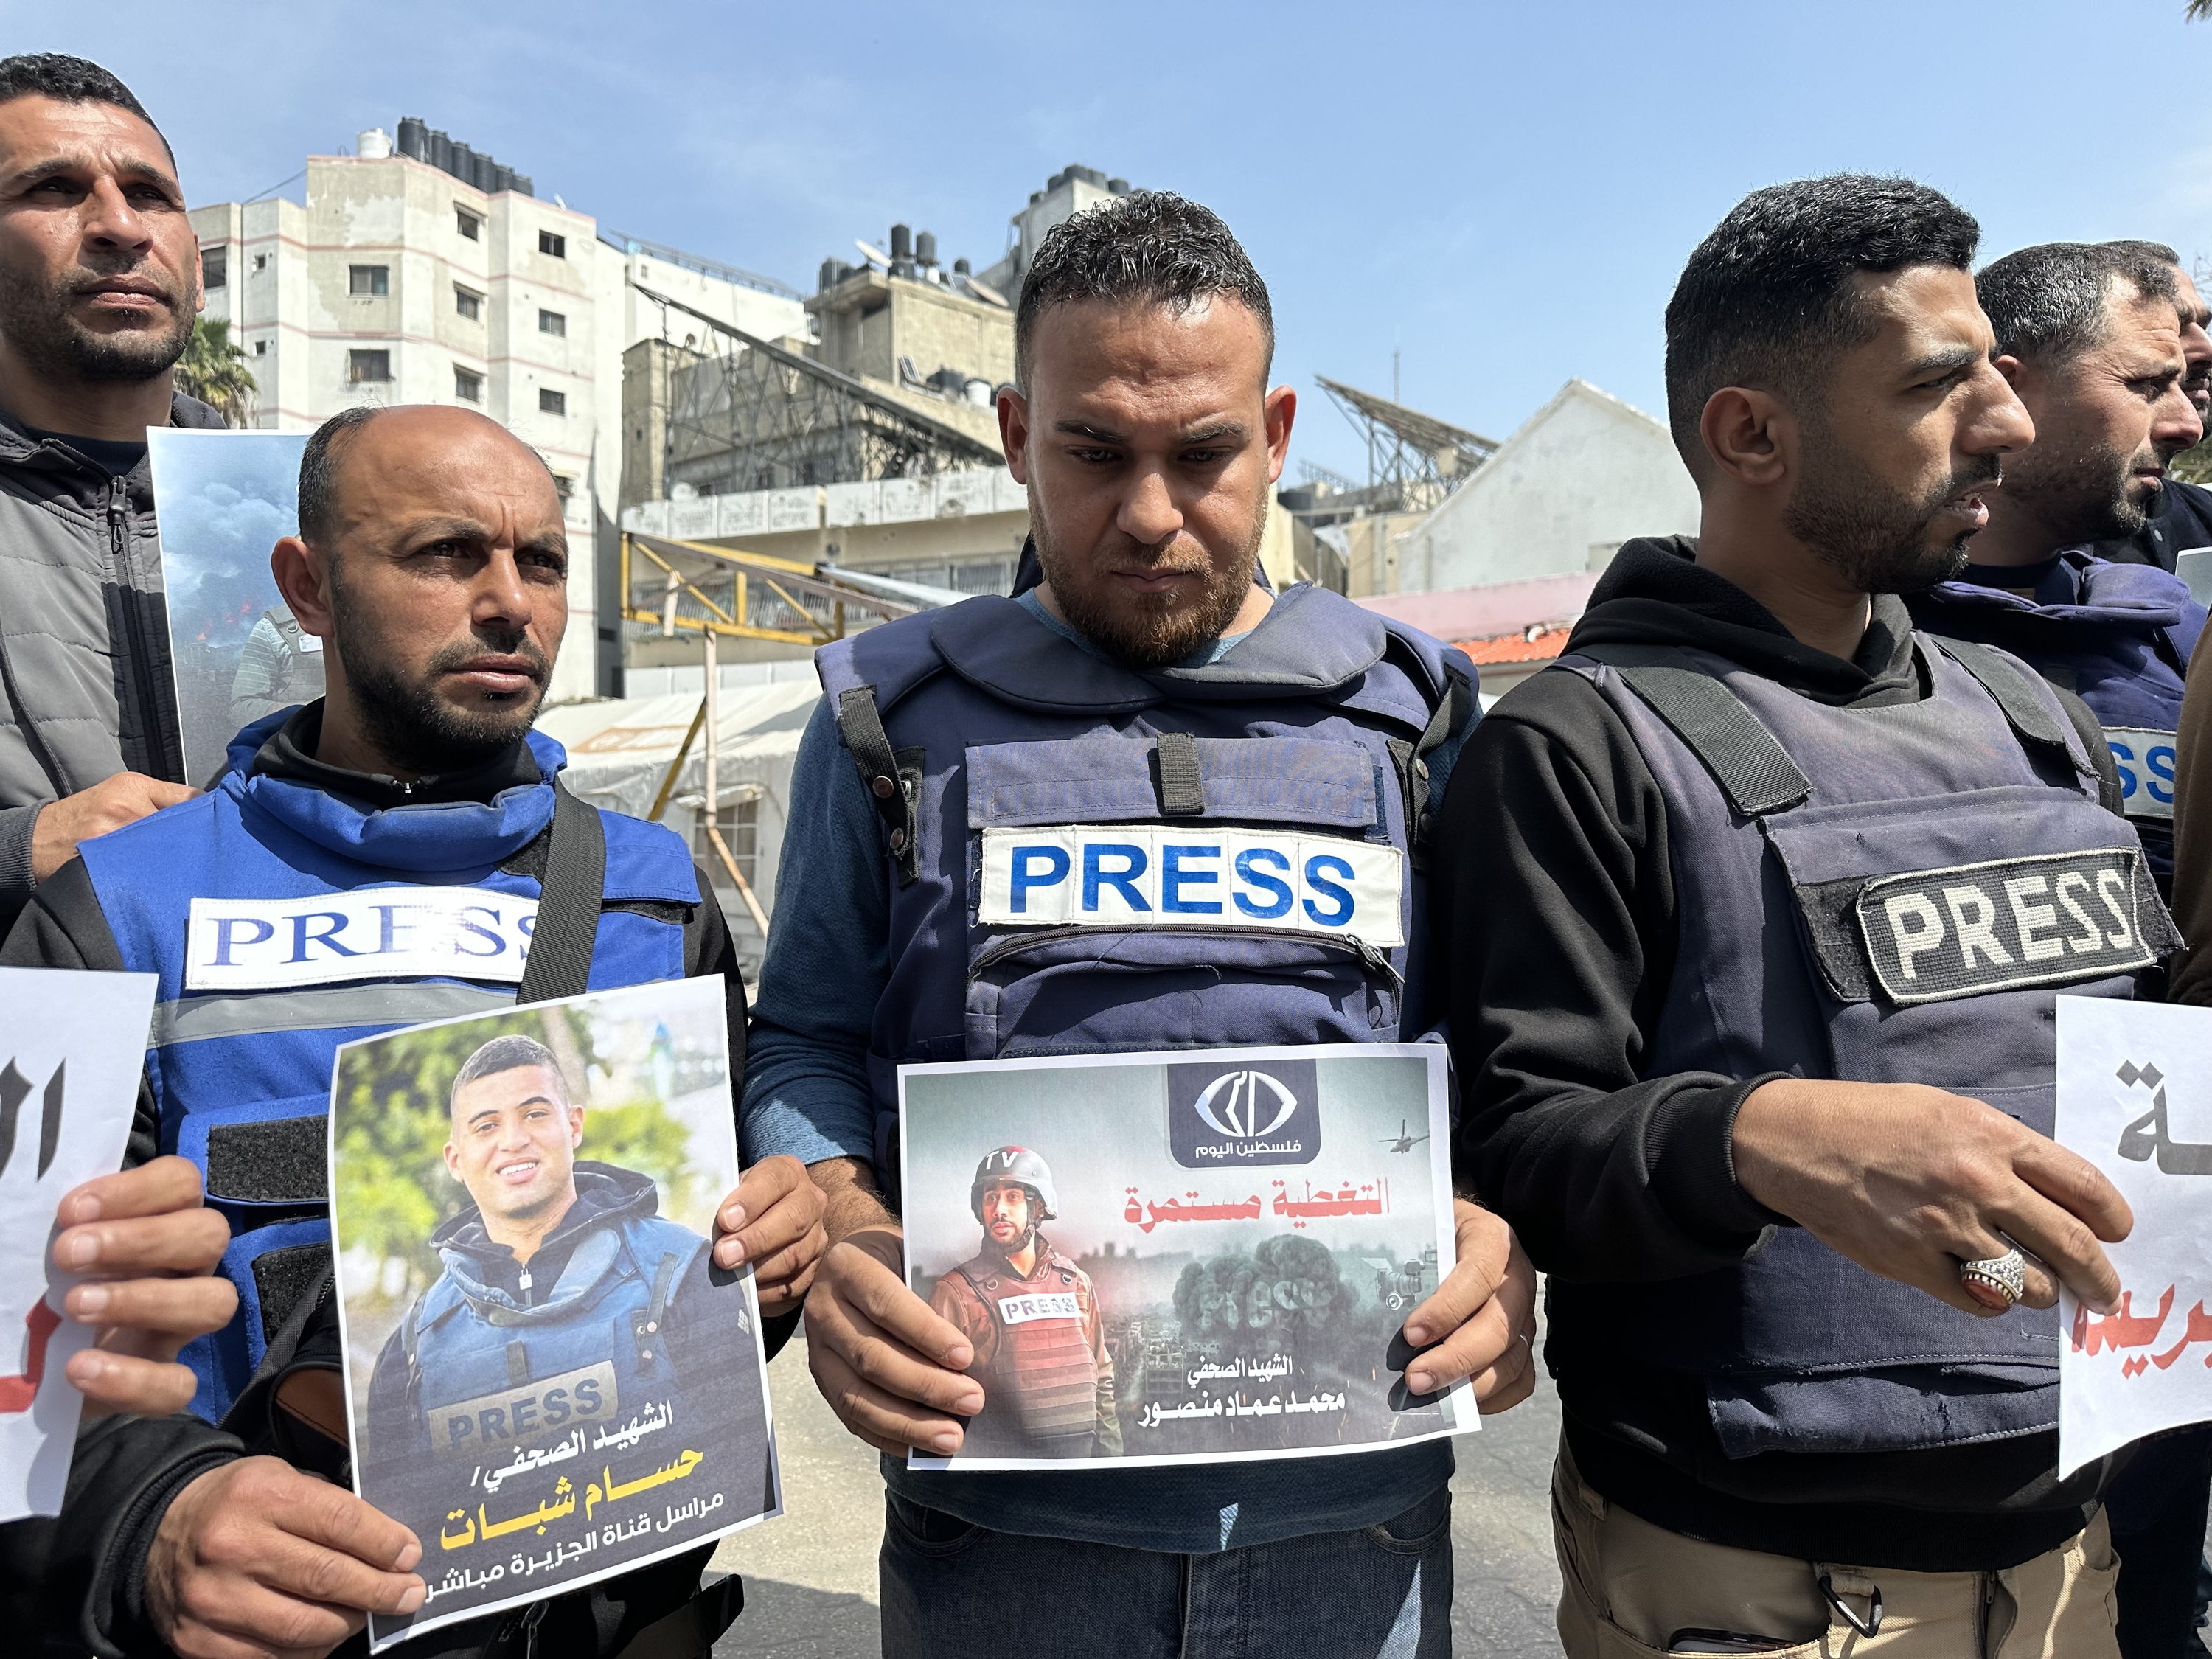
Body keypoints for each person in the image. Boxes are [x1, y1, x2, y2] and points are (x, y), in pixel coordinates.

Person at [743, 189, 1535, 1658]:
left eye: (1207, 454)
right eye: (1094, 453)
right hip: (1011, 1542)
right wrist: (849, 1226)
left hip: (1351, 1531)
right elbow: (800, 1040)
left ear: (1281, 434)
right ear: (1012, 436)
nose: (1154, 513)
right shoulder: (886, 726)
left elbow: (1494, 1057)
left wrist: (1498, 1228)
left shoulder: (1418, 721)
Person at [1442, 175, 2165, 1656]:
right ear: (1750, 434)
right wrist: (1764, 1138)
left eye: (2004, 378)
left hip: (2075, 1559)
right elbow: (1511, 1149)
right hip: (1769, 1590)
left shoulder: (2034, 719)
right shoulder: (1579, 745)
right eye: (1938, 385)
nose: (2009, 428)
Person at [2, 403, 826, 1659]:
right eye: (447, 555)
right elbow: (14, 1342)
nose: (510, 604)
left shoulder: (655, 892)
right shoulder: (115, 907)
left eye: (541, 562)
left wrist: (770, 1262)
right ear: (308, 586)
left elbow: (698, 1287)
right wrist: (154, 1520)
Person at [1904, 241, 2204, 893]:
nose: (2186, 425)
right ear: (2010, 388)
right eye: (2147, 386)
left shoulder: (2179, 638)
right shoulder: (1855, 632)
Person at [0, 53, 215, 938]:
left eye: (150, 194)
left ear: (195, 258)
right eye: (53, 188)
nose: (120, 225)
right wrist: (23, 852)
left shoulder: (317, 510)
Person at [366, 1034, 762, 1466]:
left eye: (534, 1114)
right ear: (455, 1160)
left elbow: (742, 1463)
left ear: (573, 1126)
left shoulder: (682, 1271)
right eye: (486, 1126)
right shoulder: (411, 1346)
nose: (513, 1140)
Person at [925, 1147, 1119, 1459]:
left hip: (1082, 1474)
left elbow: (1102, 1378)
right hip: (998, 1481)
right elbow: (934, 1394)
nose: (999, 1208)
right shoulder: (955, 1292)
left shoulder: (1077, 1282)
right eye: (990, 1198)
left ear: (1038, 1207)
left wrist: (1111, 1461)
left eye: (1013, 1196)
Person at [2090, 240, 2212, 574]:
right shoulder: (2011, 545)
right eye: (2174, 325)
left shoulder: (2205, 513)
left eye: (2204, 325)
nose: (2205, 349)